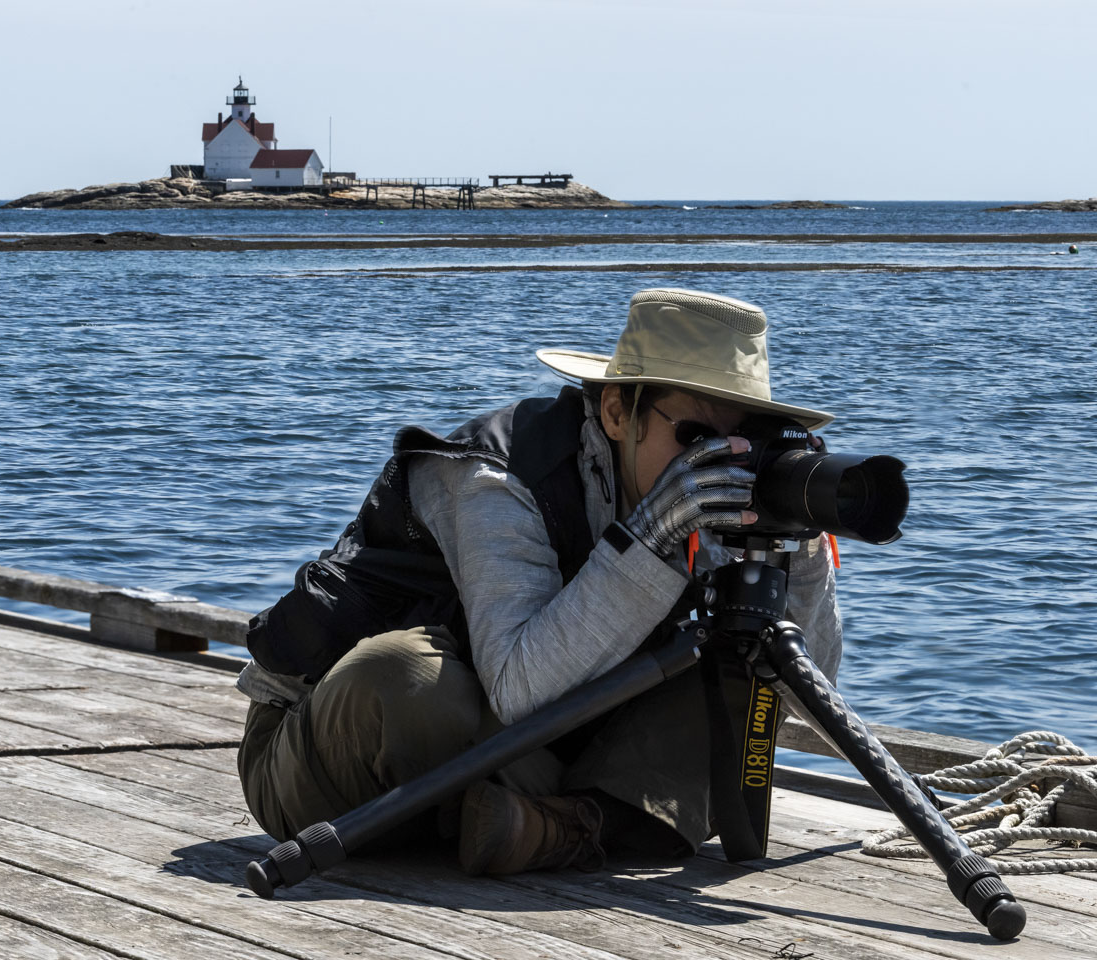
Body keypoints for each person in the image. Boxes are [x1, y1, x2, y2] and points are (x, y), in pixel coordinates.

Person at [236, 287, 843, 875]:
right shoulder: (492, 474)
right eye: (695, 436)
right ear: (615, 411)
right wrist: (652, 540)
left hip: (529, 748)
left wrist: (798, 542)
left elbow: (805, 693)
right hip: (319, 748)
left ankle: (555, 827)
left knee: (733, 671)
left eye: (743, 441)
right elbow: (519, 689)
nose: (714, 463)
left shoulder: (707, 504)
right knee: (409, 676)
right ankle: (588, 821)